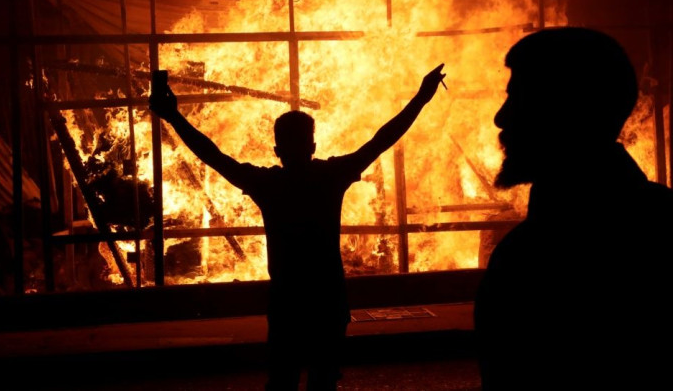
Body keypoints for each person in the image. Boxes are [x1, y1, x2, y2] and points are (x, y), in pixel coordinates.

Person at [150, 64, 447, 390]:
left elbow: (214, 156)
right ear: (313, 147)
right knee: (324, 382)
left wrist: (174, 117)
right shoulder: (331, 176)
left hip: (287, 303)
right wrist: (421, 97)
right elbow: (382, 139)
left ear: (277, 151)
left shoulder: (268, 184)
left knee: (282, 381)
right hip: (328, 300)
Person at [474, 27, 673, 390]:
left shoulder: (529, 258)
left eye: (518, 98)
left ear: (566, 109)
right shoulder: (667, 223)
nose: (501, 118)